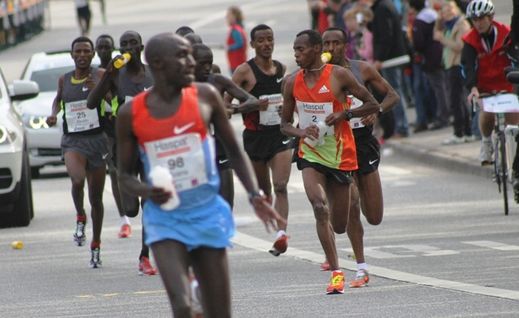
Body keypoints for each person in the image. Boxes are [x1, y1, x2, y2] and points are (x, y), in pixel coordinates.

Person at [116, 32, 284, 317]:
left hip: (206, 214)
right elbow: (125, 176)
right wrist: (148, 191)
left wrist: (255, 195)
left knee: (219, 312)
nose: (191, 62)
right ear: (157, 63)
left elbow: (233, 150)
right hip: (165, 219)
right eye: (182, 56)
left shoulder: (206, 97)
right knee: (183, 307)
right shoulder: (130, 113)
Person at [281, 29, 380, 294]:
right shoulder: (291, 82)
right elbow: (284, 125)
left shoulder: (339, 75)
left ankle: (349, 258)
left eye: (300, 50)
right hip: (310, 153)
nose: (296, 54)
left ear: (315, 50)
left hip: (340, 154)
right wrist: (301, 132)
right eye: (295, 50)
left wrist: (345, 114)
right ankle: (337, 272)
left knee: (338, 224)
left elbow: (372, 104)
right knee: (318, 206)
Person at [321, 27, 398, 287]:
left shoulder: (361, 69)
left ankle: (341, 215)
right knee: (351, 204)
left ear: (346, 46)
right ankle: (361, 268)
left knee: (374, 215)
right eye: (327, 43)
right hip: (338, 145)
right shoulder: (318, 75)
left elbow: (391, 96)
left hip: (363, 142)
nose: (331, 48)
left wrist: (376, 111)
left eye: (336, 43)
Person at [88, 30, 157, 276]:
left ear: (141, 46)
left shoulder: (153, 73)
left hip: (150, 145)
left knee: (149, 203)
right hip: (123, 145)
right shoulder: (116, 74)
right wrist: (107, 76)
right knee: (131, 209)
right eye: (124, 44)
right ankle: (132, 212)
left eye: (133, 44)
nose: (129, 48)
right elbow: (91, 103)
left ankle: (144, 256)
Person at [228, 24, 292, 256]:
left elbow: (289, 101)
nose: (267, 44)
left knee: (281, 186)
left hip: (279, 135)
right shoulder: (244, 72)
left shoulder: (281, 69)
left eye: (270, 39)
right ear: (252, 44)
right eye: (261, 40)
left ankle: (281, 235)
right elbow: (225, 107)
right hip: (255, 138)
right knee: (265, 192)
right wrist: (252, 105)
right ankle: (273, 221)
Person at [46, 36, 107, 268]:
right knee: (77, 179)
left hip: (97, 140)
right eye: (78, 52)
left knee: (97, 198)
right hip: (73, 140)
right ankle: (80, 215)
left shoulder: (100, 75)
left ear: (92, 55)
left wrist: (99, 92)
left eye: (86, 51)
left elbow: (111, 100)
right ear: (72, 55)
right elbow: (58, 100)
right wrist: (53, 114)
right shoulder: (64, 79)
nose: (82, 55)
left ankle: (96, 244)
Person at [193, 43, 259, 207]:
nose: (208, 67)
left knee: (226, 203)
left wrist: (229, 111)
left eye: (210, 62)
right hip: (195, 152)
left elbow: (252, 101)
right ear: (191, 63)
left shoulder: (218, 81)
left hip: (219, 147)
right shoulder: (181, 87)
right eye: (203, 64)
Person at [461, 0, 517, 165]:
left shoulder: (506, 33)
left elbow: (514, 57)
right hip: (484, 87)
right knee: (487, 114)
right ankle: (486, 142)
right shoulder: (470, 40)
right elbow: (468, 67)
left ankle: (513, 152)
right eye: (474, 20)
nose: (478, 23)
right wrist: (472, 88)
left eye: (482, 18)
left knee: (513, 116)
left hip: (506, 84)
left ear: (491, 17)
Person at [359, 0, 410, 138]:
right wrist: (367, 23)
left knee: (393, 93)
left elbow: (386, 34)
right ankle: (400, 127)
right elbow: (378, 30)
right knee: (395, 91)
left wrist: (379, 59)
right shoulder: (380, 7)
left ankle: (402, 128)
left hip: (390, 59)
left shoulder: (383, 8)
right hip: (389, 58)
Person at [434, 1, 473, 144]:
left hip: (458, 65)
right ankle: (462, 131)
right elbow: (435, 34)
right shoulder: (448, 25)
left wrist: (443, 39)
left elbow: (459, 46)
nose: (447, 13)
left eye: (450, 9)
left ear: (456, 9)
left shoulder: (462, 24)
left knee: (458, 100)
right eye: (444, 12)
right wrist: (438, 20)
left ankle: (462, 132)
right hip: (450, 65)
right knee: (456, 100)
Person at [409, 0, 450, 130]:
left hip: (430, 57)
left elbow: (418, 43)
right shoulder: (433, 15)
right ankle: (445, 114)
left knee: (439, 89)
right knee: (443, 86)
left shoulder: (420, 21)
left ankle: (443, 117)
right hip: (441, 53)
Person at [225, 6, 247, 73]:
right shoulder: (239, 28)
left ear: (234, 17)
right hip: (239, 62)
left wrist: (229, 47)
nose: (227, 18)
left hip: (236, 63)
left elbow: (240, 43)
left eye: (228, 15)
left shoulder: (235, 29)